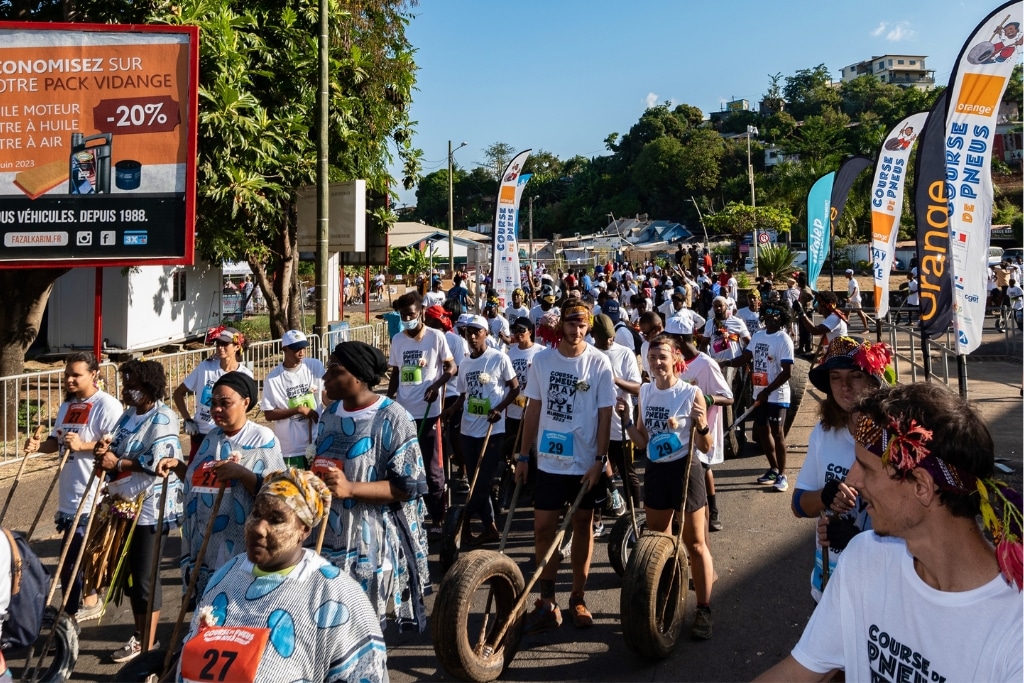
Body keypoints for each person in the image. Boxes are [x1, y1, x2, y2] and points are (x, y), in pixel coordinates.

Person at [756, 382, 1023, 682]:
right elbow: (799, 672)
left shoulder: (1014, 632)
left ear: (921, 486)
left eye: (866, 468)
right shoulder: (865, 558)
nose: (852, 479)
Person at [177, 469, 388, 683]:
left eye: (276, 519)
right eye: (256, 514)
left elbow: (364, 674)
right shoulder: (226, 575)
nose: (258, 528)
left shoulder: (335, 595)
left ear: (303, 530)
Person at [316, 342, 431, 632]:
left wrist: (351, 489)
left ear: (358, 377)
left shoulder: (394, 417)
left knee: (363, 630)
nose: (325, 377)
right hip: (328, 540)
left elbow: (408, 486)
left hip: (374, 545)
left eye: (335, 370)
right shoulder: (329, 416)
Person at [516, 299, 615, 632]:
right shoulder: (542, 361)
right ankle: (547, 601)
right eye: (572, 324)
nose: (578, 330)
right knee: (543, 528)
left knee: (582, 528)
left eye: (583, 324)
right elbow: (533, 411)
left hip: (584, 464)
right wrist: (523, 456)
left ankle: (578, 597)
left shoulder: (599, 363)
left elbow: (605, 415)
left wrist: (600, 460)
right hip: (548, 462)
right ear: (561, 326)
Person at [158, 371, 286, 601]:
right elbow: (197, 481)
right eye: (213, 403)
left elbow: (276, 493)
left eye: (225, 403)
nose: (216, 409)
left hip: (240, 544)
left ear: (246, 403)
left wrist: (243, 474)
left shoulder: (263, 438)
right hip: (207, 542)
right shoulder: (212, 438)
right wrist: (177, 466)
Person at [619, 333, 715, 639]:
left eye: (663, 357)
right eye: (651, 358)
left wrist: (701, 425)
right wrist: (624, 422)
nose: (657, 363)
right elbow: (643, 439)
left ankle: (703, 608)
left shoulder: (690, 393)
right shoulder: (645, 392)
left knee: (696, 544)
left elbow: (705, 445)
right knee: (657, 541)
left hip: (685, 469)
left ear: (676, 359)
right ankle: (663, 595)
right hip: (656, 470)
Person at [93, 360, 183, 663]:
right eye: (126, 384)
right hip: (123, 503)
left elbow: (159, 462)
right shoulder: (129, 415)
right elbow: (115, 445)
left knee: (146, 577)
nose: (127, 390)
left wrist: (117, 463)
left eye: (134, 384)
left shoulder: (164, 417)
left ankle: (149, 645)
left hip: (150, 507)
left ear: (150, 386)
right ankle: (140, 635)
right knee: (131, 577)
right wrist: (103, 450)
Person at [23, 352, 122, 623]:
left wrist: (84, 446)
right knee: (71, 557)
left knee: (78, 557)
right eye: (67, 374)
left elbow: (115, 445)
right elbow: (58, 441)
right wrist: (38, 447)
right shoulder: (67, 406)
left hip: (95, 493)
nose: (69, 379)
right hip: (69, 493)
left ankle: (72, 612)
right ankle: (78, 606)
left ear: (94, 374)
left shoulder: (108, 405)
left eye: (76, 375)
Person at [790, 337, 891, 602]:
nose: (844, 387)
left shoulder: (896, 443)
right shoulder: (823, 433)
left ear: (873, 381)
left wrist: (858, 542)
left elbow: (917, 534)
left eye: (855, 376)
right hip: (827, 588)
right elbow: (799, 505)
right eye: (835, 377)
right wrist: (825, 495)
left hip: (876, 596)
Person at [386, 291, 455, 537]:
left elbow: (451, 367)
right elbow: (396, 373)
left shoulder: (436, 337)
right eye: (403, 316)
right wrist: (388, 400)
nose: (407, 319)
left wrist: (436, 386)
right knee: (405, 467)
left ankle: (438, 517)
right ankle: (411, 513)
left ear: (422, 313)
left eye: (411, 315)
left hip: (429, 413)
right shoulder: (398, 340)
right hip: (404, 414)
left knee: (432, 468)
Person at [448, 315, 519, 544]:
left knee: (483, 479)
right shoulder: (466, 363)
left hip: (492, 430)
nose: (471, 335)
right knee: (476, 479)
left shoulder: (499, 358)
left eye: (476, 331)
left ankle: (464, 519)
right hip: (468, 429)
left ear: (486, 333)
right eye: (468, 331)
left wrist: (500, 408)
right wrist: (450, 411)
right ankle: (489, 526)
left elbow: (515, 389)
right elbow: (462, 395)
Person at [719, 302, 794, 492]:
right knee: (762, 431)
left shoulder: (783, 339)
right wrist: (724, 362)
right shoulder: (759, 336)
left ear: (782, 318)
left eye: (776, 315)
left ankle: (782, 476)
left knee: (777, 433)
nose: (772, 317)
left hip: (776, 394)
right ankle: (773, 469)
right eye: (768, 314)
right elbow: (745, 358)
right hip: (759, 392)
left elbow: (787, 373)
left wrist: (768, 391)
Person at [590, 313, 642, 536]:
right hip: (595, 424)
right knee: (598, 470)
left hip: (620, 424)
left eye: (611, 337)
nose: (609, 342)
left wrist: (615, 379)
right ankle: (598, 518)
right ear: (594, 336)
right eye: (604, 339)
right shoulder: (588, 353)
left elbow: (638, 387)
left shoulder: (625, 353)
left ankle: (637, 519)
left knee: (628, 473)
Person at [173, 326, 253, 463]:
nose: (220, 347)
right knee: (194, 477)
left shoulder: (245, 374)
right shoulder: (206, 367)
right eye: (218, 344)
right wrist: (187, 419)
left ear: (236, 346)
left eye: (225, 344)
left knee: (223, 478)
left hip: (229, 436)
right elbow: (178, 393)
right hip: (201, 434)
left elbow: (247, 406)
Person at [260, 330, 325, 469]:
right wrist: (298, 410)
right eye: (296, 349)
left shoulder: (314, 366)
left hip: (318, 441)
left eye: (303, 348)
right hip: (291, 449)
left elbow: (326, 395)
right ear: (285, 349)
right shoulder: (273, 378)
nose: (301, 353)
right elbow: (269, 413)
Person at [795, 291, 847, 355]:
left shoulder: (834, 318)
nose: (817, 306)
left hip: (838, 357)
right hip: (835, 354)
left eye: (818, 303)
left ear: (823, 304)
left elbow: (815, 331)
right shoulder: (831, 318)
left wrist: (801, 313)